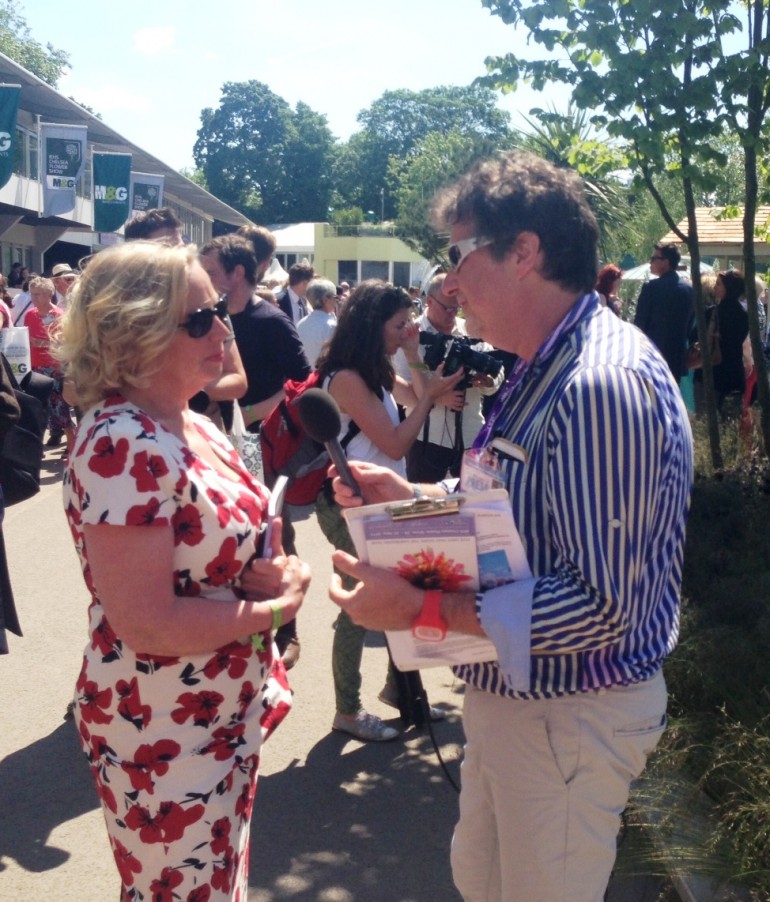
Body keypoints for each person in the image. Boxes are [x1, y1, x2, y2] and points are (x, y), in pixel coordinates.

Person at [327, 152, 693, 900]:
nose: (450, 283)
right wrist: (411, 493)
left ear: (524, 251)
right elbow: (510, 500)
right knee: (483, 880)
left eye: (459, 257)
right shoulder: (542, 363)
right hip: (520, 700)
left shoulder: (598, 384)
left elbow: (602, 604)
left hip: (568, 715)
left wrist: (424, 609)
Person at [57, 240, 310, 901]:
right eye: (198, 319)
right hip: (163, 735)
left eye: (218, 311)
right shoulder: (121, 440)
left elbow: (225, 547)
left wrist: (276, 568)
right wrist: (278, 610)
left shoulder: (188, 422)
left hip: (216, 719)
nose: (222, 330)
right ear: (130, 333)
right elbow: (149, 623)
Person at [315, 279, 464, 742]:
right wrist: (428, 397)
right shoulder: (345, 378)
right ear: (370, 324)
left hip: (381, 501)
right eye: (399, 325)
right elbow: (400, 438)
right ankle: (347, 709)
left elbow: (417, 396)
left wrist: (417, 355)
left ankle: (401, 693)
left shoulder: (373, 366)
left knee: (401, 594)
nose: (406, 331)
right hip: (348, 505)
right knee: (359, 610)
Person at [200, 234, 311, 669]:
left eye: (211, 272)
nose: (205, 280)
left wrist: (250, 410)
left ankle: (287, 629)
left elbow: (304, 381)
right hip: (217, 439)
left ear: (237, 273)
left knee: (271, 533)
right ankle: (237, 626)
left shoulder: (271, 320)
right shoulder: (207, 317)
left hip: (263, 443)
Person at [123, 208, 247, 432]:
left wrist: (191, 391)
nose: (181, 258)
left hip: (205, 428)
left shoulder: (208, 304)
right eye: (167, 249)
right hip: (135, 432)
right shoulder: (119, 312)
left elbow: (238, 380)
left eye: (181, 247)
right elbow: (74, 392)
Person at [394, 271, 503, 483]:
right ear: (429, 301)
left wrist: (489, 382)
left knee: (474, 507)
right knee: (424, 508)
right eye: (448, 308)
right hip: (426, 438)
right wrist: (436, 399)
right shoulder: (410, 335)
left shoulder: (471, 330)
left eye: (457, 307)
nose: (454, 313)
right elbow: (400, 391)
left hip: (470, 435)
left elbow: (495, 371)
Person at [693, 269, 748, 421]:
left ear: (728, 288)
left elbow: (694, 335)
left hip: (710, 374)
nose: (715, 287)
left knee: (706, 424)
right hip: (733, 375)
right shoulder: (744, 316)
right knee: (730, 424)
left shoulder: (712, 313)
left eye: (718, 284)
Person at [633, 243, 694, 381]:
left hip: (652, 356)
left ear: (666, 262)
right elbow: (691, 324)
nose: (651, 262)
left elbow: (640, 325)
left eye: (654, 258)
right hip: (677, 356)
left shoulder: (651, 288)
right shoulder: (689, 290)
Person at [25, 276, 73, 451]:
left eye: (38, 294)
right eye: (32, 294)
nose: (34, 298)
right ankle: (39, 444)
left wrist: (44, 343)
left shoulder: (58, 315)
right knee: (39, 407)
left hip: (54, 366)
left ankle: (71, 439)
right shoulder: (30, 315)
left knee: (59, 406)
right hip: (35, 366)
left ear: (49, 295)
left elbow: (66, 342)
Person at [296, 277, 338, 367]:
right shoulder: (332, 326)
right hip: (323, 376)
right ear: (325, 300)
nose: (336, 300)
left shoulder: (300, 324)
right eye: (335, 297)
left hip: (305, 377)